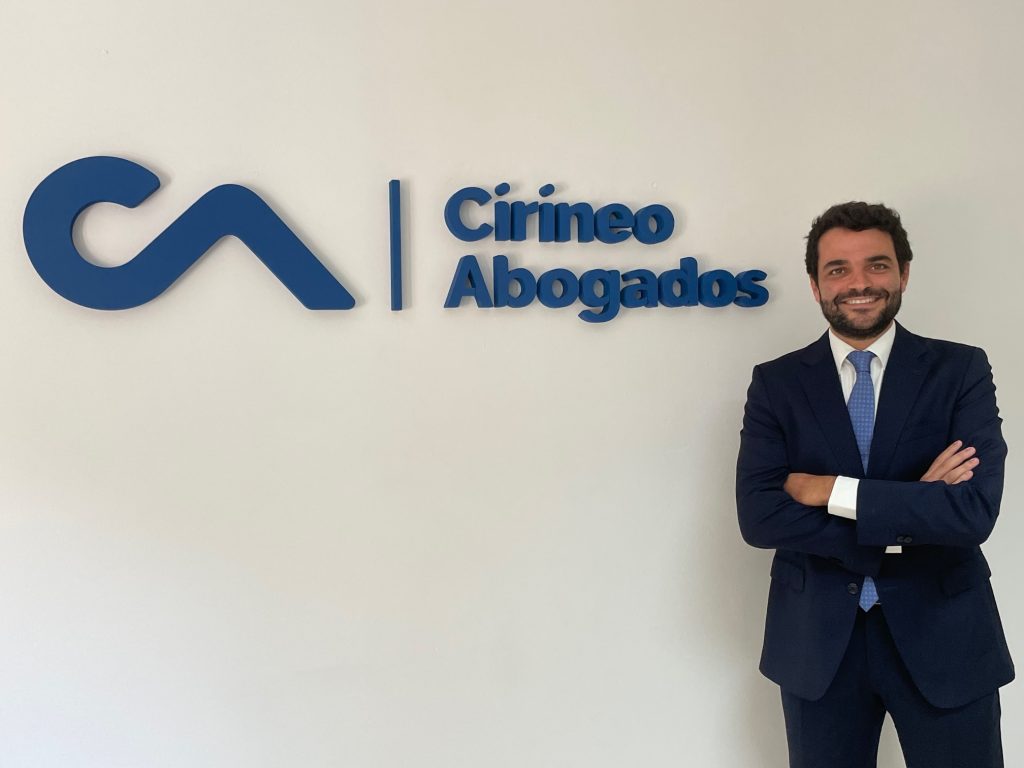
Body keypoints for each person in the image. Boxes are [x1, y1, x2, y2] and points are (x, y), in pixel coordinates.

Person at [736, 201, 1014, 767]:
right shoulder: (777, 383)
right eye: (838, 269)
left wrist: (829, 491)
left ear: (904, 274)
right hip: (818, 646)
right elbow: (759, 515)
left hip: (946, 636)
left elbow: (972, 513)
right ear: (814, 284)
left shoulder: (961, 371)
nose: (859, 283)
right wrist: (911, 507)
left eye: (877, 265)